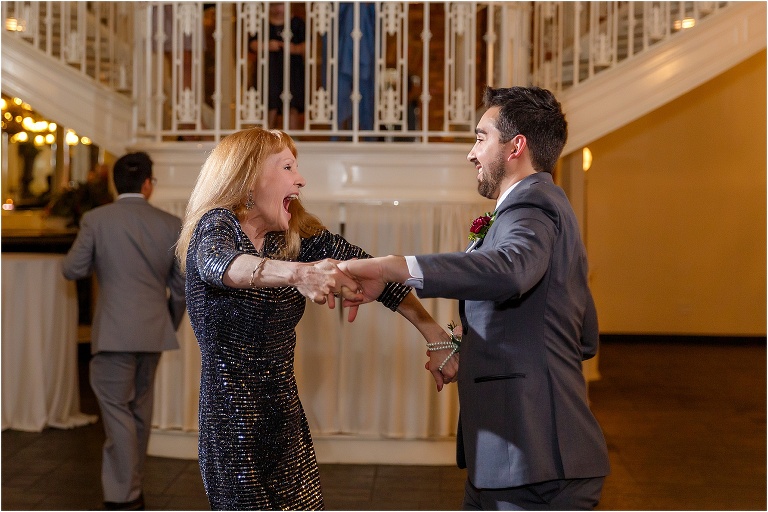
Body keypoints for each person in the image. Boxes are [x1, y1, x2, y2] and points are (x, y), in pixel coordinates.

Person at [338, 86, 611, 510]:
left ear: (516, 145)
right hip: (523, 458)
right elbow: (583, 335)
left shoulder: (532, 207)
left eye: (481, 138)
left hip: (534, 461)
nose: (471, 153)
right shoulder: (547, 206)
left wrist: (395, 266)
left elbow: (510, 270)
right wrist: (469, 350)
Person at [174, 127, 458, 510]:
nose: (301, 179)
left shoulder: (292, 237)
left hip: (286, 419)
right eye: (288, 166)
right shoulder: (216, 225)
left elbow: (373, 273)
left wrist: (435, 334)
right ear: (248, 175)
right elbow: (220, 265)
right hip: (232, 428)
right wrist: (299, 273)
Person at [62, 152, 186, 511]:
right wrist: (166, 322)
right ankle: (132, 487)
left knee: (117, 412)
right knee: (139, 411)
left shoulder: (97, 219)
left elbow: (72, 269)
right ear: (147, 184)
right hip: (152, 333)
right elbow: (181, 289)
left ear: (116, 183)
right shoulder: (171, 223)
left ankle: (124, 497)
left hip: (113, 333)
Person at [249, 3, 306, 129]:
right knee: (270, 104)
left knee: (292, 105)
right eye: (273, 5)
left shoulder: (297, 23)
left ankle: (292, 139)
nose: (277, 9)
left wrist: (294, 48)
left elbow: (308, 46)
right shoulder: (262, 22)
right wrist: (267, 45)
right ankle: (266, 137)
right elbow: (252, 44)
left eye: (280, 4)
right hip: (269, 70)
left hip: (292, 70)